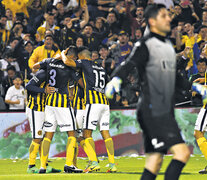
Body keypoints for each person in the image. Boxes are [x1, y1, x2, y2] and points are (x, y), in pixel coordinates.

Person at [105, 4, 192, 180]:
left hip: (163, 109)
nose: (169, 18)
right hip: (153, 109)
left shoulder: (167, 45)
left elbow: (173, 75)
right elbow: (129, 63)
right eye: (163, 16)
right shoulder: (146, 44)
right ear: (152, 22)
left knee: (154, 162)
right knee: (181, 153)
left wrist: (193, 87)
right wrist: (116, 78)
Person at [61, 46, 117, 173]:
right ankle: (112, 164)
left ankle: (94, 162)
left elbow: (67, 62)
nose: (77, 60)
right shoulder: (102, 69)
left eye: (78, 58)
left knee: (86, 134)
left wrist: (62, 54)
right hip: (105, 103)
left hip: (93, 103)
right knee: (105, 133)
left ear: (82, 57)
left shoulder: (85, 62)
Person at [33, 46, 83, 173]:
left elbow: (34, 67)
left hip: (49, 102)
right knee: (72, 134)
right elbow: (80, 82)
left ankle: (43, 166)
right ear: (73, 57)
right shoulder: (70, 66)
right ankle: (68, 165)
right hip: (62, 103)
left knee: (48, 135)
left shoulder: (49, 61)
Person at [25, 69, 60, 173]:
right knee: (37, 137)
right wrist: (43, 90)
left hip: (45, 109)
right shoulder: (42, 73)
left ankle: (44, 165)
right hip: (35, 109)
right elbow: (28, 86)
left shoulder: (56, 75)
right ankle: (31, 166)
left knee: (44, 138)